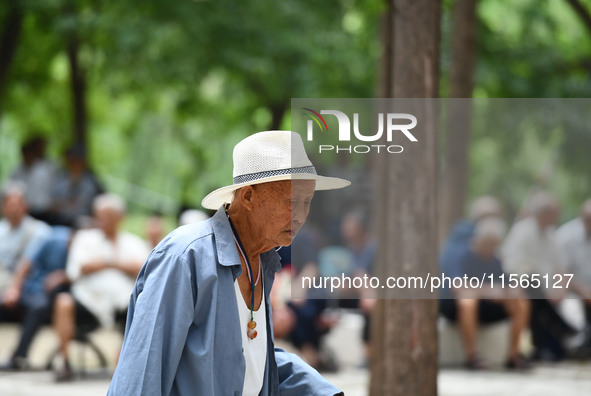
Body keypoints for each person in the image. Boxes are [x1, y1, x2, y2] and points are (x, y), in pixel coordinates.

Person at [108, 131, 349, 396]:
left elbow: (249, 359)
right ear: (247, 197)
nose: (301, 216)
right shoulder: (185, 257)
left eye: (307, 202)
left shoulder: (264, 261)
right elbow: (143, 371)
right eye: (291, 202)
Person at [53, 193, 150, 381]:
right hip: (89, 301)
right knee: (63, 301)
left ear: (120, 217)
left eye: (108, 215)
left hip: (124, 303)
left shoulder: (134, 242)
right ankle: (65, 363)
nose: (103, 220)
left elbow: (144, 270)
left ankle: (126, 366)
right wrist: (118, 263)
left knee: (145, 305)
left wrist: (105, 263)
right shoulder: (84, 238)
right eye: (100, 215)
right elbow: (80, 267)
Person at [440, 218, 530, 369]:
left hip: (486, 309)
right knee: (468, 301)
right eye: (487, 245)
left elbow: (509, 285)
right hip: (454, 308)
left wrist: (511, 290)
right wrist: (489, 290)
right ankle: (472, 356)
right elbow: (458, 286)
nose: (490, 249)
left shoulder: (495, 260)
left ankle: (514, 355)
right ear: (477, 240)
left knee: (521, 302)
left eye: (493, 246)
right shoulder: (460, 255)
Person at [501, 191, 575, 361]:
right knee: (532, 284)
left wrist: (560, 289)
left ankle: (555, 337)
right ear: (544, 214)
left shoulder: (552, 235)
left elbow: (561, 268)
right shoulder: (522, 231)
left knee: (539, 303)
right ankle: (560, 326)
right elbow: (512, 265)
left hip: (546, 291)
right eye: (554, 213)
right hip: (524, 286)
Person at [0, 226, 72, 370]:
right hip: (30, 289)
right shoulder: (55, 239)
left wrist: (64, 276)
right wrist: (14, 289)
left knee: (38, 307)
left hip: (53, 298)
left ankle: (18, 356)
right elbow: (27, 262)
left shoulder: (94, 248)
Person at [0, 182, 51, 295]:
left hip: (27, 284)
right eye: (10, 204)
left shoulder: (40, 230)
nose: (14, 209)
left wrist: (14, 287)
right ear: (3, 207)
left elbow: (30, 262)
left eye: (17, 204)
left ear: (25, 205)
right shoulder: (1, 229)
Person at [9, 137, 56, 222]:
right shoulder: (16, 171)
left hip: (44, 210)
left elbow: (53, 188)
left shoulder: (45, 169)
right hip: (24, 212)